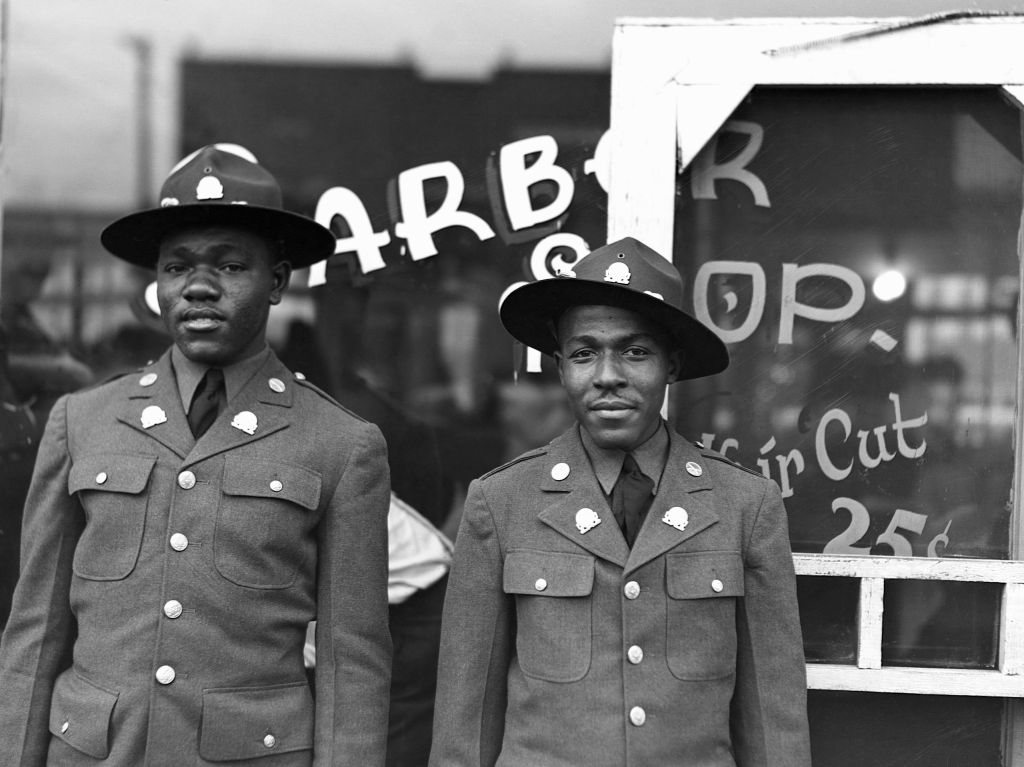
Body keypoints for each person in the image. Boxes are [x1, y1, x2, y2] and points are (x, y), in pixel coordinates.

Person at [0, 144, 393, 766]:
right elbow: (36, 632)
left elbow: (355, 661)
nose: (199, 288)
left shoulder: (342, 444)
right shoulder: (82, 421)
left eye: (230, 266)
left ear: (277, 283)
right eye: (177, 267)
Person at [429, 237, 811, 766]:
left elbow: (773, 716)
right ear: (560, 367)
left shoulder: (745, 505)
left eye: (635, 352)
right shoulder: (501, 502)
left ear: (671, 365)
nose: (608, 376)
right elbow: (465, 717)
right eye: (585, 353)